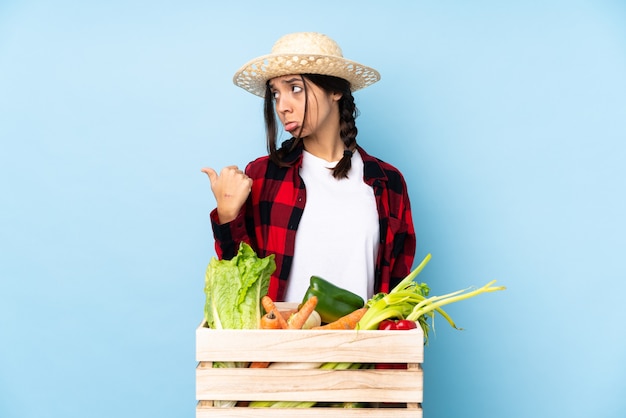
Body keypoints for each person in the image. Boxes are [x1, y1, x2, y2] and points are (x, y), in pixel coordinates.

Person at [202, 32, 416, 302]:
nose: (282, 106)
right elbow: (239, 285)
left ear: (336, 90)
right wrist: (227, 215)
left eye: (295, 88)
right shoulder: (261, 177)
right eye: (275, 94)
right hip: (281, 340)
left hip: (363, 341)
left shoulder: (387, 182)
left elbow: (398, 285)